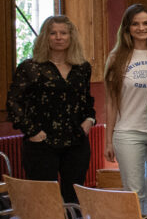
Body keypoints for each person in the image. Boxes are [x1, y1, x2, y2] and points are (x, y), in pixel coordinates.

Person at [8, 16, 96, 204]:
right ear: (44, 37)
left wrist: (89, 121)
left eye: (63, 33)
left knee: (74, 197)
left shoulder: (82, 67)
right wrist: (32, 131)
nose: (58, 37)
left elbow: (86, 100)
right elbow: (14, 102)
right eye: (53, 33)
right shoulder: (30, 67)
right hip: (41, 142)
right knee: (45, 199)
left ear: (71, 37)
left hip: (76, 141)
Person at [102, 4, 147, 216]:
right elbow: (111, 101)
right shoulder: (116, 59)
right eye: (135, 24)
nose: (141, 28)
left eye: (146, 23)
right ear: (127, 28)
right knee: (133, 191)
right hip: (127, 132)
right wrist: (108, 139)